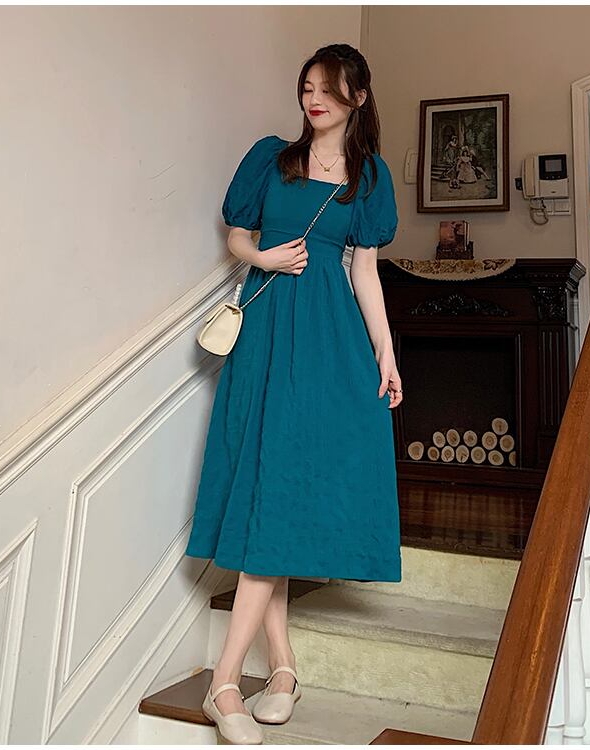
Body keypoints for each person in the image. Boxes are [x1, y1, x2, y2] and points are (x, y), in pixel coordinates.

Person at [186, 43, 403, 744]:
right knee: (266, 488)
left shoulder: (369, 178)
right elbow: (236, 236)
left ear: (358, 98)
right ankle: (269, 673)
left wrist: (386, 352)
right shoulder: (270, 159)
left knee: (282, 491)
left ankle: (236, 679)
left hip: (330, 340)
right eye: (308, 87)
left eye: (329, 90)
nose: (315, 100)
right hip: (266, 331)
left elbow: (364, 272)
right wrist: (263, 256)